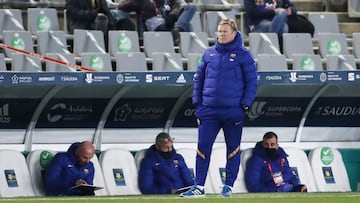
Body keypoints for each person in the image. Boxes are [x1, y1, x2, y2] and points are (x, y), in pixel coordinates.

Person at [180, 19, 258, 198]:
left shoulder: (244, 55)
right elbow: (199, 79)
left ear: (234, 33)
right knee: (202, 148)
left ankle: (228, 186)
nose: (221, 34)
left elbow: (252, 82)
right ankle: (198, 185)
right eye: (219, 31)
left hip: (233, 111)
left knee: (233, 149)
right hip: (208, 111)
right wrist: (197, 103)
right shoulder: (208, 54)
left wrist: (244, 104)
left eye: (224, 31)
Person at [118, 0, 196, 44]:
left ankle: (179, 29)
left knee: (191, 7)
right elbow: (122, 6)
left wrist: (173, 13)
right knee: (187, 26)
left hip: (168, 23)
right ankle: (180, 33)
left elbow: (177, 6)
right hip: (156, 28)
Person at [66, 0, 135, 47]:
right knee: (101, 20)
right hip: (81, 24)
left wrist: (112, 24)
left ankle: (122, 51)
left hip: (100, 23)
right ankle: (102, 49)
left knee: (126, 24)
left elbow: (106, 12)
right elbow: (72, 13)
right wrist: (95, 14)